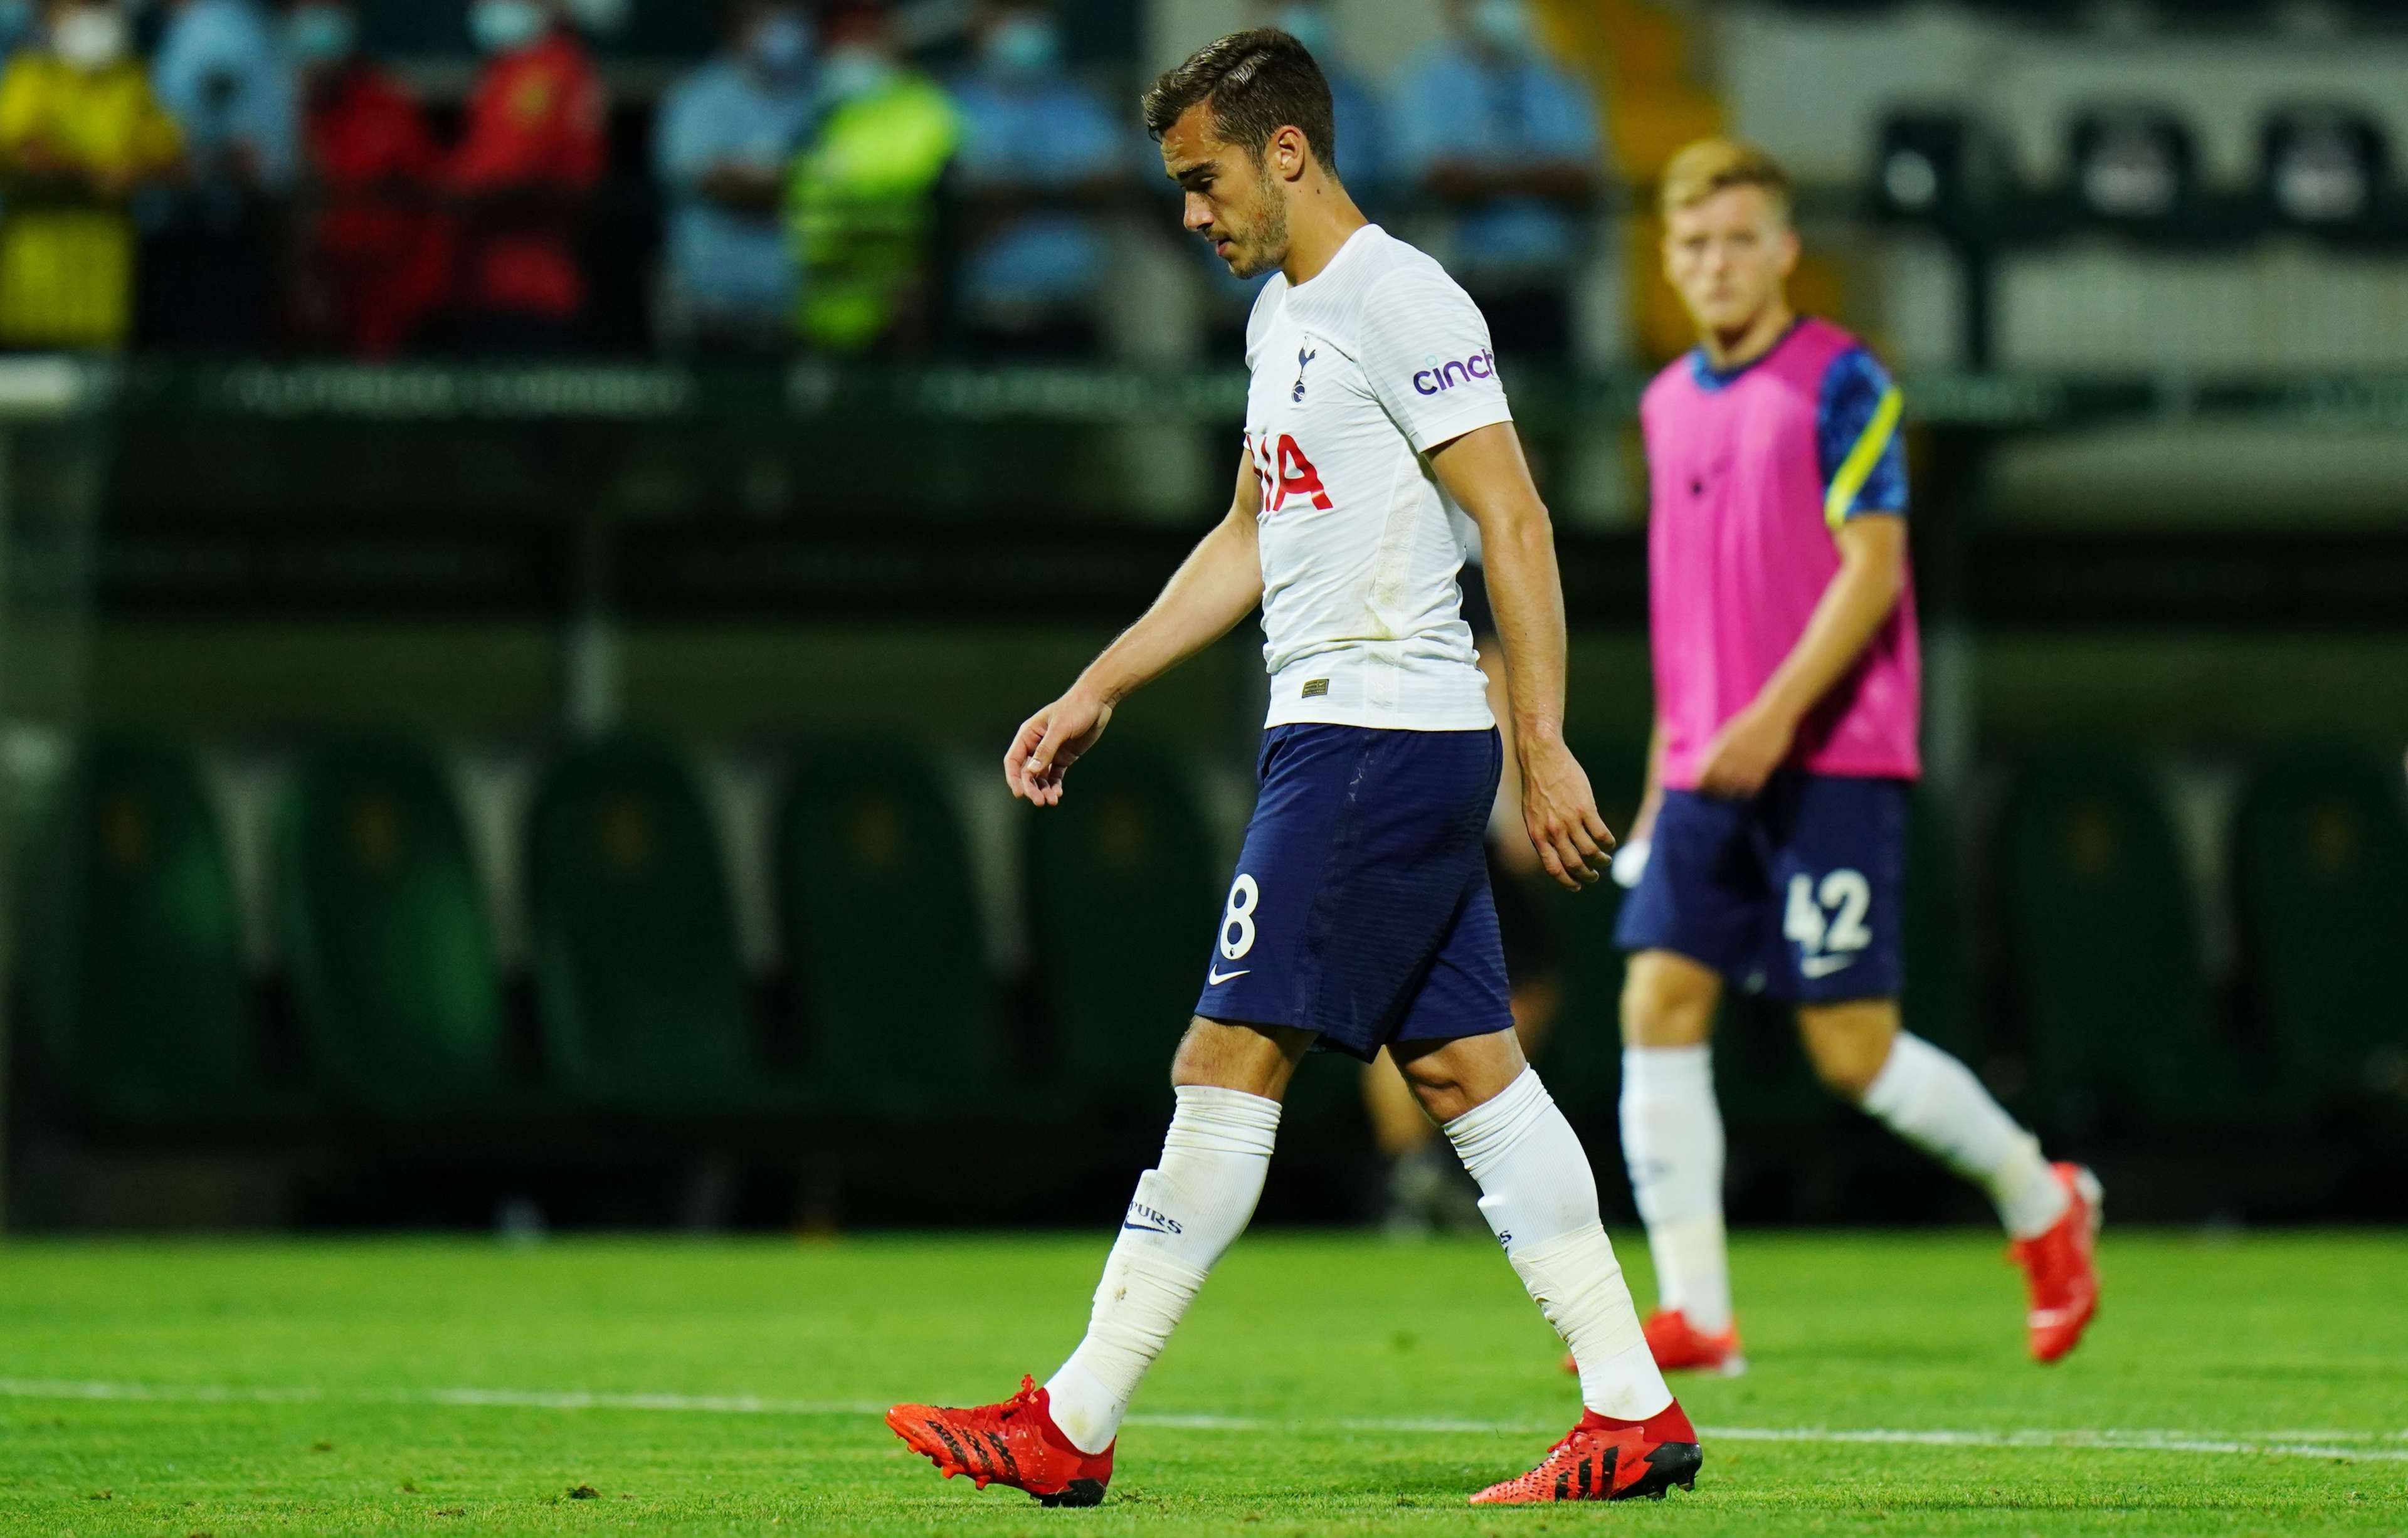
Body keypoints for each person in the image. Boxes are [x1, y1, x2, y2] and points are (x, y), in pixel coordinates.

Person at [885, 29, 1702, 1510]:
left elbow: (1513, 521)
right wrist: (1098, 684)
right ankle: (1631, 1407)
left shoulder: (1401, 298)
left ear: (1286, 151)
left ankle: (1070, 1419)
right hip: (1352, 730)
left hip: (1375, 735)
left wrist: (1544, 740)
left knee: (1224, 1060)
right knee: (1469, 1070)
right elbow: (1249, 537)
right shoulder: (1280, 318)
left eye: (1202, 181)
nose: (1191, 215)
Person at [1610, 137, 2102, 1376]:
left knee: (1851, 1048)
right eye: (1693, 244)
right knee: (1659, 998)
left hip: (1833, 753)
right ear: (1668, 261)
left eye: (1737, 240)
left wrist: (1774, 713)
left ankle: (2041, 1200)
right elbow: (1684, 605)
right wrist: (1666, 771)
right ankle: (1699, 1313)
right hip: (1709, 763)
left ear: (1784, 250)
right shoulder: (1664, 402)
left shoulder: (1844, 380)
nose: (1714, 263)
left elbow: (1876, 564)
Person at [1361, 550, 1566, 1234]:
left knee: (1400, 1002)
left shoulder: (1368, 549)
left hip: (1365, 790)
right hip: (1454, 800)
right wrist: (1513, 802)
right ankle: (1459, 1164)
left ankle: (1412, 1176)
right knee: (1519, 990)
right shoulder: (1457, 557)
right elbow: (1490, 667)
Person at [1392, 0, 1599, 354]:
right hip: (1465, 287)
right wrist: (1536, 176)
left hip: (1545, 285)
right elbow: (1443, 181)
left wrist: (1486, 178)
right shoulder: (1431, 84)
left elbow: (1580, 178)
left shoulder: (1553, 78)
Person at [0, 0, 182, 350]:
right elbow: (24, 153)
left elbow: (173, 157)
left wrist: (137, 171)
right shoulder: (32, 74)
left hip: (105, 294)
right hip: (33, 290)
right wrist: (96, 173)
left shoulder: (131, 78)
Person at [944, 0, 1123, 354]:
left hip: (1072, 315)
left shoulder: (1077, 103)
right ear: (978, 26)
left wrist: (1016, 197)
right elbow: (959, 198)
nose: (1026, 26)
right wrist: (1062, 190)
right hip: (981, 317)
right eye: (1012, 12)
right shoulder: (952, 106)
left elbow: (1111, 183)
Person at [784, 2, 954, 355]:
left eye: (864, 31)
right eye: (840, 32)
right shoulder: (806, 106)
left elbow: (919, 203)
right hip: (803, 317)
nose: (851, 45)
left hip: (896, 319)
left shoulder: (923, 108)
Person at [285, 0, 452, 356]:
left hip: (388, 317)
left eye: (330, 13)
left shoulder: (387, 106)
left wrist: (421, 302)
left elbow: (433, 212)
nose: (317, 25)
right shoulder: (280, 105)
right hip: (295, 315)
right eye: (306, 12)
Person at [654, 0, 817, 354]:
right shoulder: (698, 98)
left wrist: (772, 180)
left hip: (796, 310)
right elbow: (714, 183)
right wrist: (803, 182)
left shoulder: (816, 94)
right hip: (711, 306)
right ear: (737, 21)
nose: (785, 27)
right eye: (768, 15)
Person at [447, 0, 605, 352]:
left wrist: (443, 191)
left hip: (532, 288)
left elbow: (501, 172)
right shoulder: (507, 68)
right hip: (485, 283)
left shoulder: (549, 68)